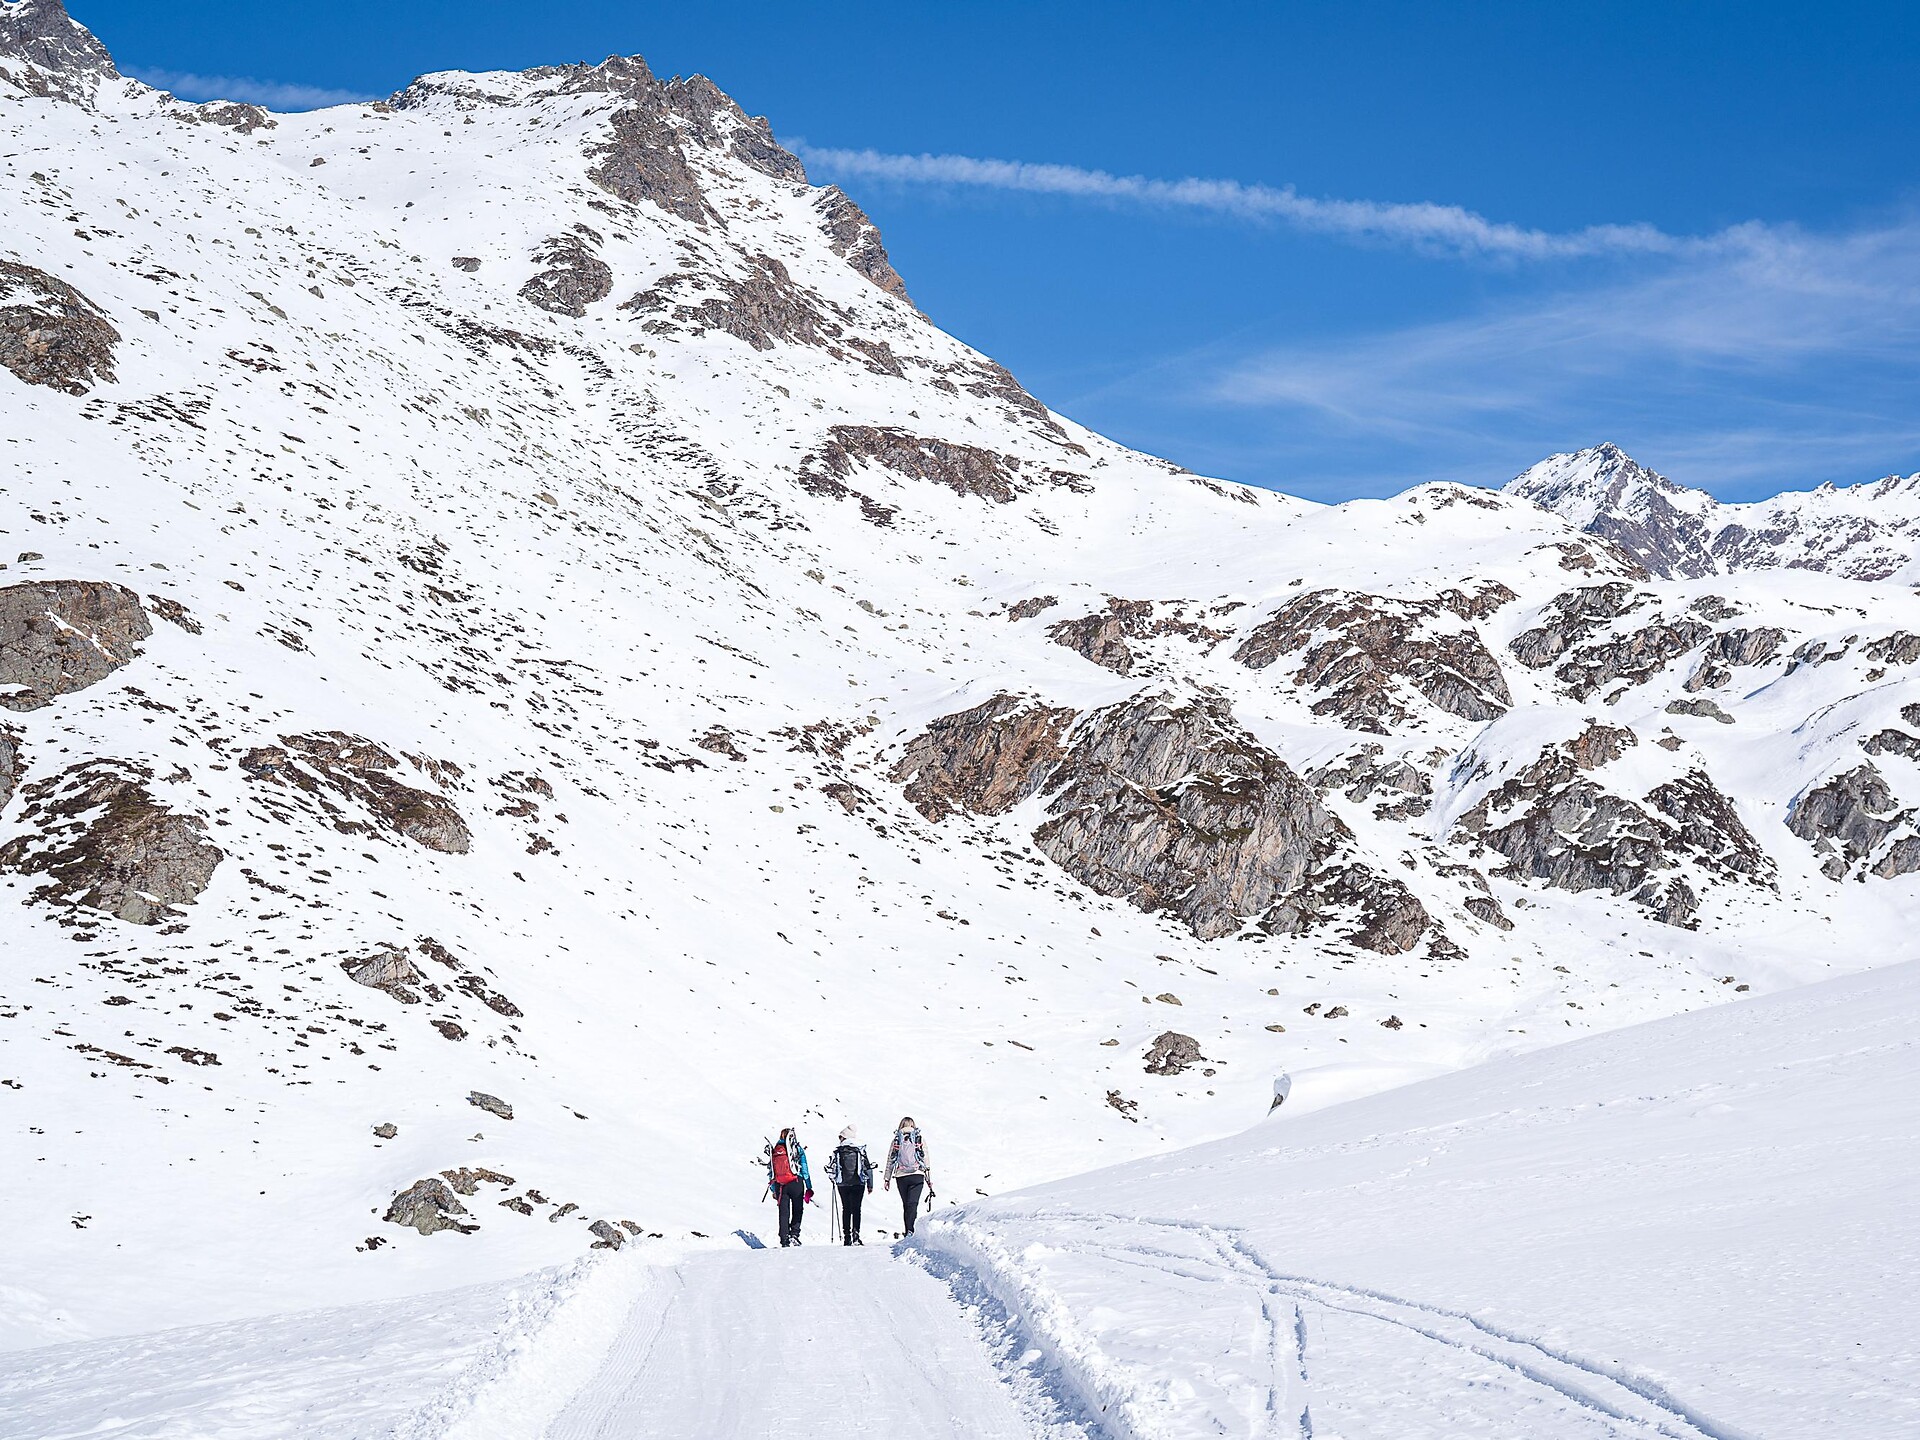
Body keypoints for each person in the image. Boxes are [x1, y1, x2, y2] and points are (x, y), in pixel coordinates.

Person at [883, 1116, 933, 1236]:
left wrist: (887, 1178)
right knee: (913, 1204)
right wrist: (929, 1179)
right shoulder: (918, 1138)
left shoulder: (897, 1139)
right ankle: (911, 1232)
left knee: (906, 1205)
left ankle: (908, 1231)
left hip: (901, 1176)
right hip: (917, 1175)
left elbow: (890, 1159)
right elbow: (925, 1159)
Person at [827, 1124, 874, 1246]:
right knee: (856, 1209)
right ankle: (856, 1235)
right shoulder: (860, 1149)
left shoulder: (838, 1150)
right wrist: (870, 1184)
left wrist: (834, 1179)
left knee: (846, 1208)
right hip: (858, 1182)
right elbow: (867, 1166)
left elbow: (832, 1167)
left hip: (842, 1183)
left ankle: (846, 1236)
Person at [765, 1126, 812, 1247]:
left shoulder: (775, 1150)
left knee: (783, 1212)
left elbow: (771, 1171)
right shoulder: (796, 1149)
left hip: (781, 1185)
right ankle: (794, 1235)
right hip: (796, 1182)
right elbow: (804, 1168)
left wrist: (774, 1189)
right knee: (798, 1209)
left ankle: (784, 1239)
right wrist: (808, 1186)